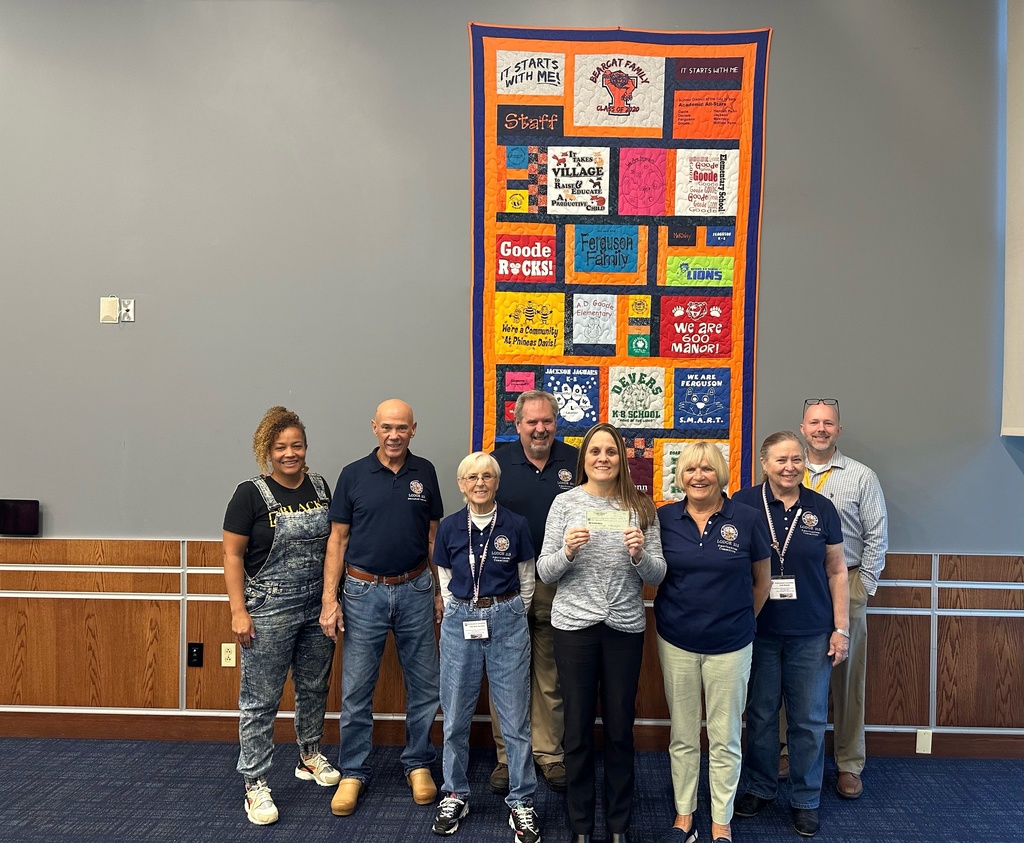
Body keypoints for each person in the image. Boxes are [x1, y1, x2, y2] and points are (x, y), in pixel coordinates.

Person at [537, 422, 667, 843]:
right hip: (574, 627)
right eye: (595, 451)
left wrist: (640, 555)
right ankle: (580, 825)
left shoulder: (641, 506)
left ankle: (617, 825)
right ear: (584, 459)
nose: (603, 458)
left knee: (619, 729)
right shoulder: (565, 503)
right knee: (576, 730)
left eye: (611, 451)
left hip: (624, 627)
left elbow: (658, 575)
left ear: (622, 459)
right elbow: (545, 571)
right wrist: (567, 551)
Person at [319, 399, 444, 816]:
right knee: (356, 689)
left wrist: (440, 591)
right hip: (362, 593)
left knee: (425, 686)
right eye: (387, 427)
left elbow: (433, 537)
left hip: (416, 588)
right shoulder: (353, 474)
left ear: (413, 429)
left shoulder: (425, 472)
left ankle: (418, 763)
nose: (394, 435)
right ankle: (353, 771)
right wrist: (329, 599)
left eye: (402, 428)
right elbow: (337, 540)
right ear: (374, 427)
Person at [222, 406, 340, 825]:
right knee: (261, 699)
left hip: (317, 605)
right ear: (266, 451)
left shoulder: (321, 487)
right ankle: (254, 783)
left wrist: (330, 600)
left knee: (313, 685)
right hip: (268, 608)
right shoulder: (249, 494)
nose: (290, 454)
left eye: (297, 445)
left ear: (305, 447)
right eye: (280, 447)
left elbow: (335, 545)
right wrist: (238, 611)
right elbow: (232, 556)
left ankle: (309, 755)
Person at [732, 431, 849, 839]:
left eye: (796, 459)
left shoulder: (821, 508)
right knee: (761, 715)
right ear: (764, 464)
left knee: (809, 720)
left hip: (811, 632)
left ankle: (806, 799)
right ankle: (761, 787)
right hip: (758, 630)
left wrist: (840, 628)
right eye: (781, 460)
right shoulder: (743, 504)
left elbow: (837, 570)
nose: (789, 467)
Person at [654, 442, 772, 843]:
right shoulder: (664, 517)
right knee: (683, 735)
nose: (698, 476)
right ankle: (684, 813)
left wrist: (740, 621)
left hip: (732, 644)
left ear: (720, 474)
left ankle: (722, 819)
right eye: (690, 469)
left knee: (725, 737)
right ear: (680, 476)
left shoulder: (748, 518)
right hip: (677, 641)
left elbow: (762, 582)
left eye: (706, 469)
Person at [431, 452, 541, 842]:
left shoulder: (516, 524)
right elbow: (445, 577)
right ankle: (455, 794)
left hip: (507, 618)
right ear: (461, 484)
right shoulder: (449, 527)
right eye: (472, 477)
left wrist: (507, 612)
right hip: (460, 619)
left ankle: (521, 801)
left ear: (497, 482)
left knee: (515, 720)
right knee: (455, 717)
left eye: (487, 476)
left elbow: (527, 579)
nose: (480, 483)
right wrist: (462, 608)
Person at [489, 390, 578, 796]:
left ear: (556, 423)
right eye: (532, 422)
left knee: (549, 673)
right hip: (505, 582)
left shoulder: (576, 461)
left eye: (547, 421)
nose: (540, 429)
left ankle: (548, 753)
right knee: (506, 674)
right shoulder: (496, 463)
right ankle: (508, 756)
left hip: (559, 582)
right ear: (517, 424)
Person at [800, 398, 888, 799]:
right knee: (790, 667)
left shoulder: (861, 476)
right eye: (814, 422)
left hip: (847, 580)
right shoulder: (787, 468)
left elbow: (877, 535)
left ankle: (849, 762)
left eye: (828, 423)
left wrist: (862, 587)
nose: (821, 429)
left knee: (848, 678)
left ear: (839, 430)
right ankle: (787, 750)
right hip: (796, 584)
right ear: (803, 428)